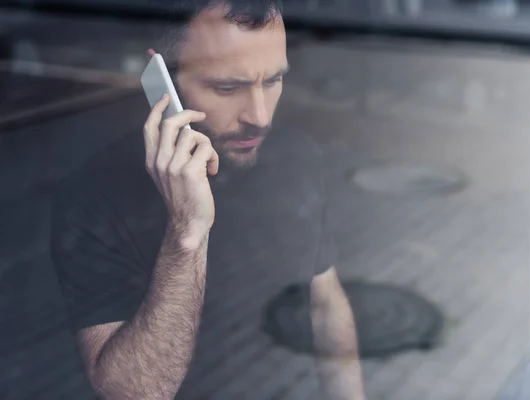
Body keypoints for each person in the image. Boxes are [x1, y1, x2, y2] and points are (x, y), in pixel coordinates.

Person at [50, 0, 365, 399]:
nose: (260, 116)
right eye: (228, 87)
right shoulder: (93, 195)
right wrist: (187, 233)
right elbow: (134, 393)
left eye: (272, 80)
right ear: (161, 75)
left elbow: (325, 302)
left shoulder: (296, 156)